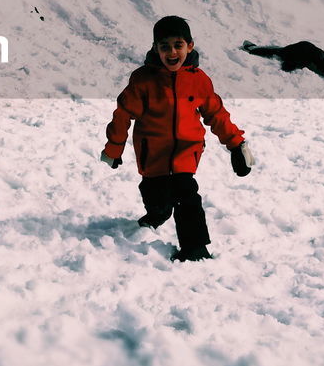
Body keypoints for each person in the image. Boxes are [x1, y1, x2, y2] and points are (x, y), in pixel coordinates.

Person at [101, 16, 252, 262]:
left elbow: (216, 113)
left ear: (190, 46)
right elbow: (122, 115)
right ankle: (157, 213)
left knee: (187, 196)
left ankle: (195, 249)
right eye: (164, 46)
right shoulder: (143, 80)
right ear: (155, 48)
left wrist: (236, 144)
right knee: (156, 197)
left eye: (178, 45)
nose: (172, 52)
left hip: (186, 152)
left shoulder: (198, 80)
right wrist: (113, 148)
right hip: (153, 155)